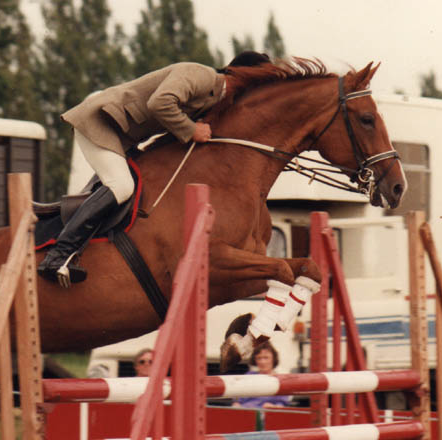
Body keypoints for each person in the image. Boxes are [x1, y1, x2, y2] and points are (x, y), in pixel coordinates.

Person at [37, 51, 272, 286]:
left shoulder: (213, 99)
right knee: (121, 186)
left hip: (122, 136)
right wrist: (192, 130)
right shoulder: (201, 75)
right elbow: (160, 102)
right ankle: (58, 256)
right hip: (99, 124)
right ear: (242, 76)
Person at [232, 341, 292, 409]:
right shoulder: (248, 376)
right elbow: (237, 400)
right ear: (255, 360)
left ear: (273, 358)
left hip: (268, 415)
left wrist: (274, 407)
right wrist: (236, 405)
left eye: (266, 357)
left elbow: (282, 404)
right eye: (259, 358)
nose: (262, 362)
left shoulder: (280, 380)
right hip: (245, 413)